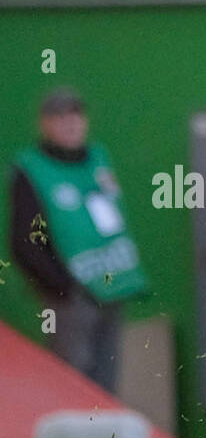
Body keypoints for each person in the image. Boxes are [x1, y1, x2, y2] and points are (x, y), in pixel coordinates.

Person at [8, 87, 150, 393]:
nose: (70, 123)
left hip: (112, 285)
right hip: (71, 295)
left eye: (75, 115)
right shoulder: (31, 169)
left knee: (107, 380)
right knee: (73, 382)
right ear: (44, 124)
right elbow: (24, 242)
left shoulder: (96, 158)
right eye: (59, 117)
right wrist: (62, 286)